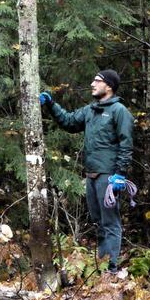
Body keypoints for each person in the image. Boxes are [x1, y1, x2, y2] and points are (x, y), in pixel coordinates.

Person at [40, 70, 134, 272]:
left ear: (108, 86)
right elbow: (68, 121)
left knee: (110, 222)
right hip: (91, 174)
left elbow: (126, 145)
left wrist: (120, 174)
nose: (92, 84)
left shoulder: (119, 111)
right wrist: (51, 104)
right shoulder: (90, 111)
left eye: (97, 81)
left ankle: (112, 267)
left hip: (108, 176)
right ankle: (102, 265)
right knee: (98, 223)